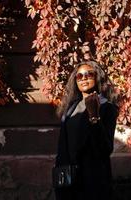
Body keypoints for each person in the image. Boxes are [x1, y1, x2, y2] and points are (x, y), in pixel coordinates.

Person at [54, 61, 118, 200]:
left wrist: (94, 115)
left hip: (92, 180)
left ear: (97, 77)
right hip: (69, 178)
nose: (84, 78)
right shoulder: (71, 108)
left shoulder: (107, 107)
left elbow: (106, 148)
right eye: (79, 76)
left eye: (89, 74)